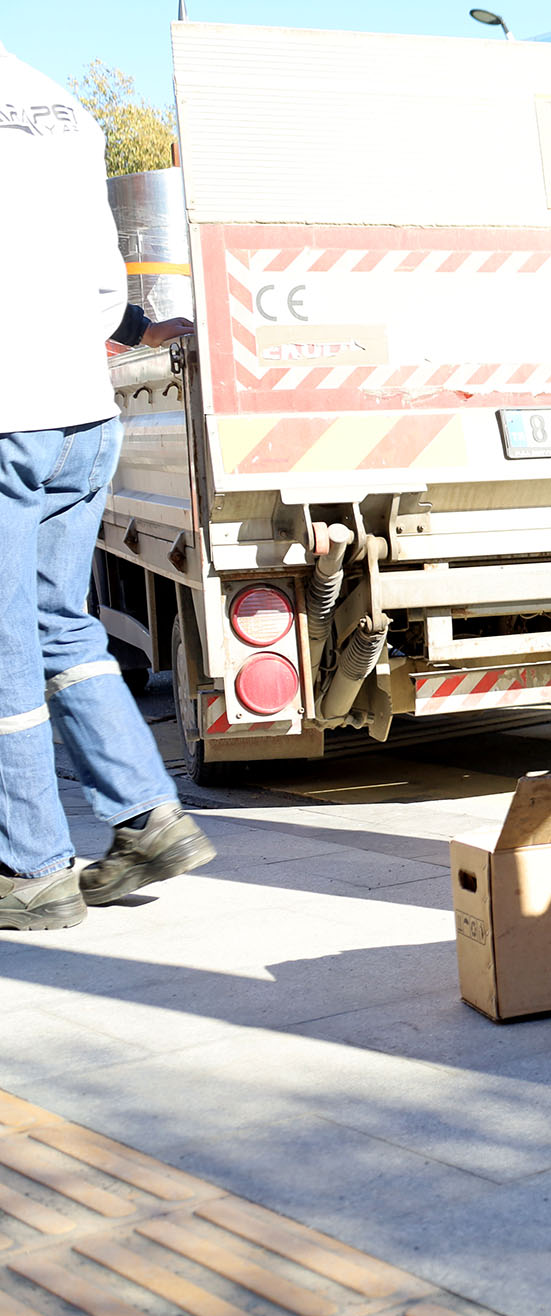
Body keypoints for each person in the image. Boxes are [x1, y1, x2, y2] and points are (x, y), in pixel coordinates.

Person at [1, 40, 213, 931]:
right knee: (58, 621)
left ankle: (32, 869)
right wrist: (134, 324)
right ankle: (146, 815)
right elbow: (99, 282)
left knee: (6, 642)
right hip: (82, 415)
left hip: (6, 413)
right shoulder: (55, 102)